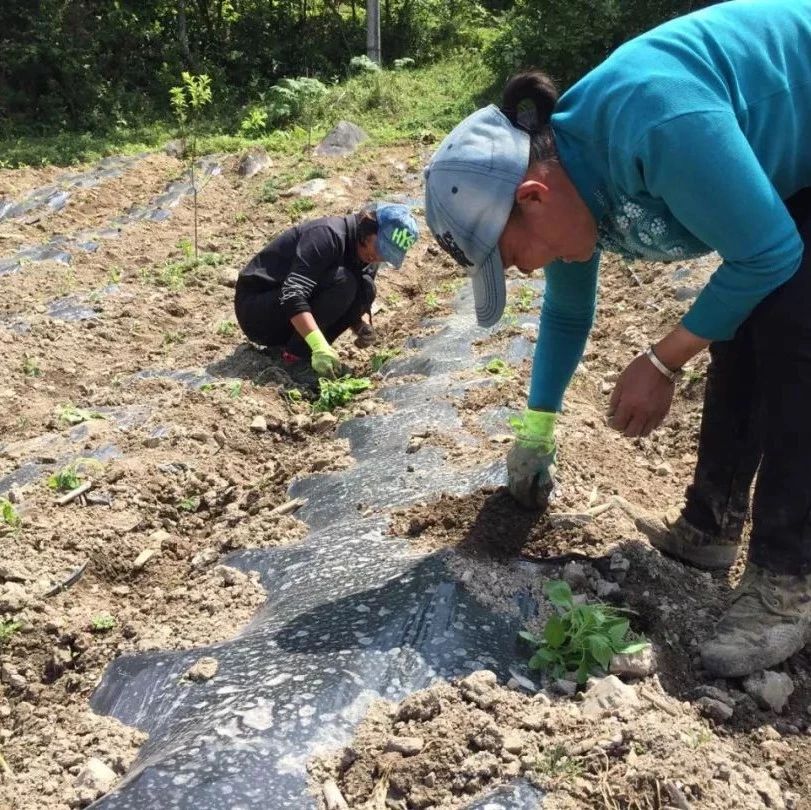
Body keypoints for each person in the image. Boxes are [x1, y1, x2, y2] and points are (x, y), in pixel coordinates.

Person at [423, 0, 811, 678]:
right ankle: (708, 528)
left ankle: (786, 581)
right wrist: (536, 432)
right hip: (789, 155)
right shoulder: (570, 189)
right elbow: (568, 318)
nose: (525, 271)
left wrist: (661, 361)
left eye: (513, 256)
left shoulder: (652, 122)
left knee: (793, 332)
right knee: (741, 327)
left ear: (534, 196)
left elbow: (768, 252)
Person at [234, 203, 419, 380]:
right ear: (369, 228)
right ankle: (297, 358)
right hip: (257, 310)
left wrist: (360, 326)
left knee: (365, 288)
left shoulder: (368, 257)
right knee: (344, 281)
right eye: (379, 247)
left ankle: (303, 352)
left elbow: (345, 299)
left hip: (288, 315)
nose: (377, 257)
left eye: (386, 255)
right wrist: (318, 345)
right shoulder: (327, 235)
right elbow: (292, 293)